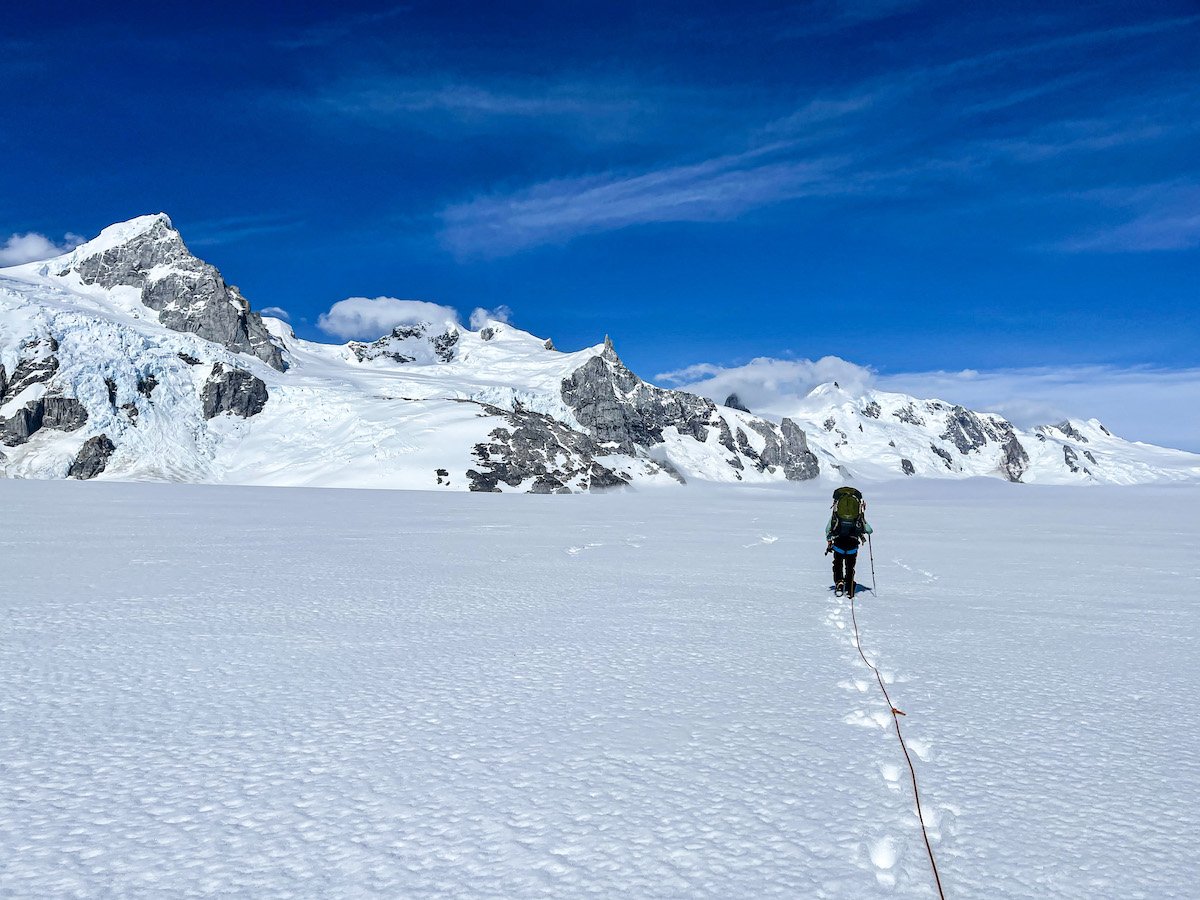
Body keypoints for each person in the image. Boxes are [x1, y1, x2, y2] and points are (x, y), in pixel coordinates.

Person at [825, 487, 873, 598]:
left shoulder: (837, 516)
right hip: (852, 545)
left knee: (837, 564)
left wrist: (829, 539)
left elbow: (828, 529)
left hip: (838, 543)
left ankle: (839, 582)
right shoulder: (858, 517)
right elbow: (869, 530)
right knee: (850, 567)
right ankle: (850, 587)